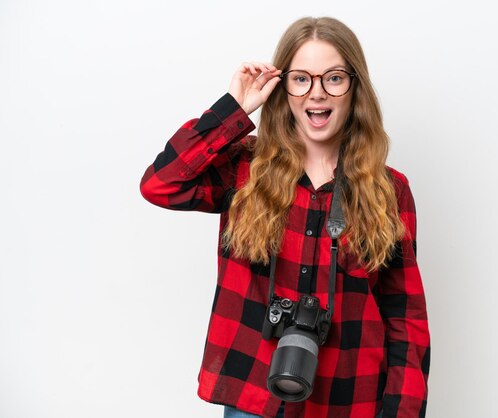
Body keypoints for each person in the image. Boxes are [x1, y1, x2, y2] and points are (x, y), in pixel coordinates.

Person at [140, 16, 429, 418]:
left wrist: (402, 411)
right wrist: (234, 110)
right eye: (301, 79)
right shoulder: (244, 169)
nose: (317, 93)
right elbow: (161, 184)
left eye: (333, 78)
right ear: (283, 87)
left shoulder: (389, 190)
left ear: (354, 87)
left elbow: (405, 320)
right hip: (254, 396)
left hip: (348, 402)